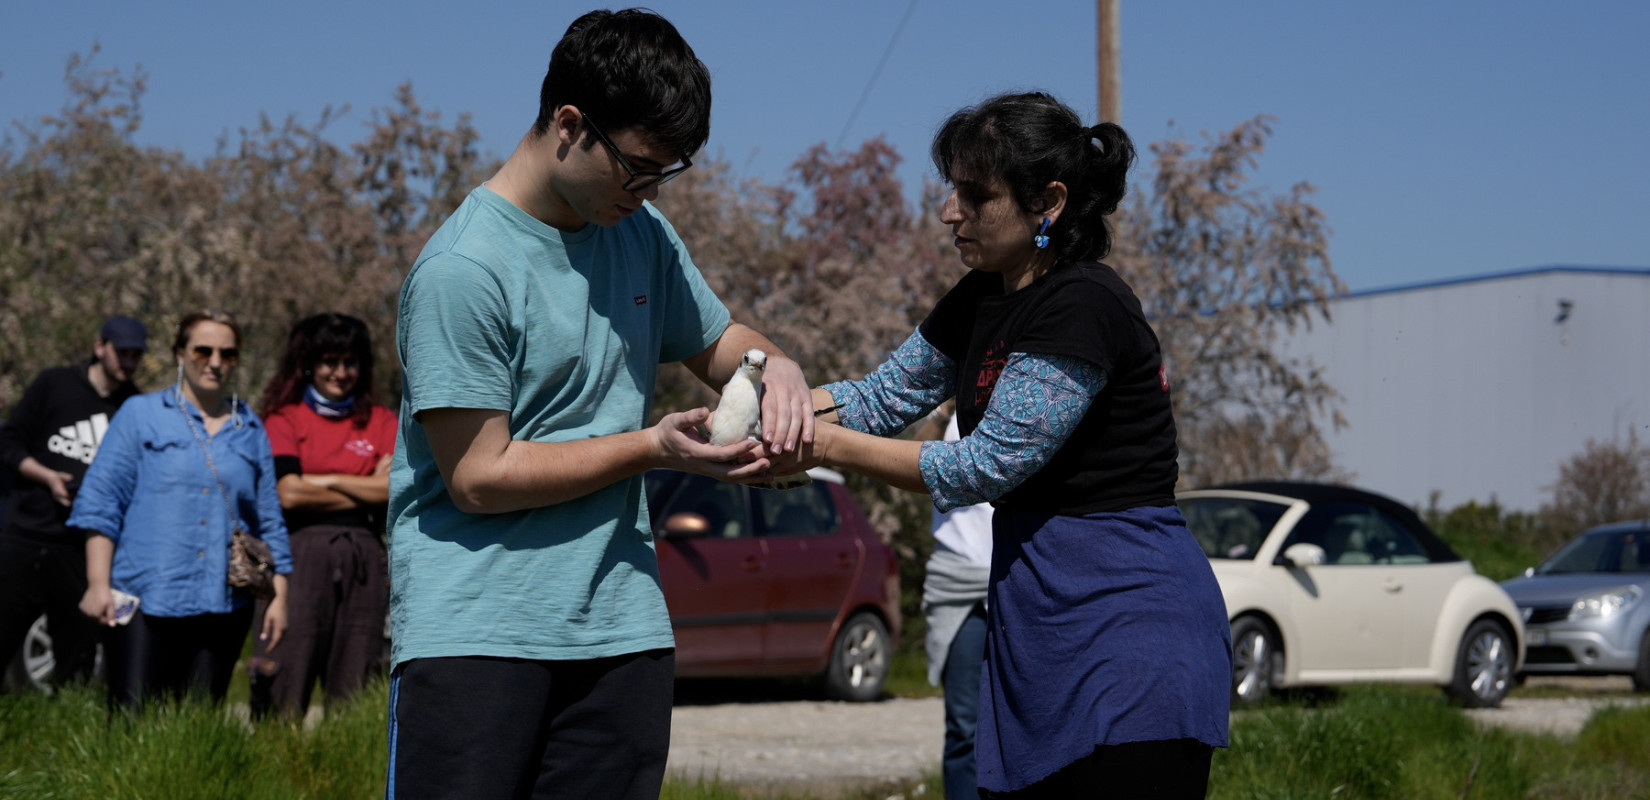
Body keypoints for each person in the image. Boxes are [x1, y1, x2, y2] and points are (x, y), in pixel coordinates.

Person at [384, 9, 814, 799]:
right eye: (637, 169)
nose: (646, 194)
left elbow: (720, 342)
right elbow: (478, 477)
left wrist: (776, 366)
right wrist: (651, 448)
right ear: (569, 124)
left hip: (623, 631)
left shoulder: (640, 233)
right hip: (479, 636)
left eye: (665, 175)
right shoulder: (462, 271)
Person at [773, 92, 1233, 797]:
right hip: (1041, 617)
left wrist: (821, 448)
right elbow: (882, 398)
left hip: (1131, 629)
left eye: (975, 195)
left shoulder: (1083, 303)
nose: (948, 212)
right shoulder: (982, 295)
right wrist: (773, 415)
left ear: (1049, 202)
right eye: (951, 189)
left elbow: (984, 466)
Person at [69, 310, 293, 712]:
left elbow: (269, 518)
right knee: (131, 720)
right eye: (203, 351)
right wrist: (97, 584)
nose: (215, 362)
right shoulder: (140, 414)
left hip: (224, 603)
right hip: (143, 596)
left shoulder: (249, 427)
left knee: (198, 725)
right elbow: (101, 502)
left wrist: (278, 597)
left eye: (228, 353)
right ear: (179, 354)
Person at [248, 313, 397, 718]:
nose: (341, 373)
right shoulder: (284, 419)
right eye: (330, 362)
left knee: (354, 685)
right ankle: (277, 751)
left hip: (364, 559)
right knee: (284, 675)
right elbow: (288, 493)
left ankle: (341, 755)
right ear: (309, 364)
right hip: (297, 556)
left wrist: (323, 480)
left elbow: (392, 490)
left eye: (351, 362)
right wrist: (363, 486)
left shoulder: (382, 421)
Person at [0, 316, 149, 688]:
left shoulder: (134, 407)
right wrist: (47, 477)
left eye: (136, 355)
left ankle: (66, 714)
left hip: (81, 545)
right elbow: (9, 442)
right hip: (27, 533)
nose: (128, 362)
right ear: (100, 347)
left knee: (77, 650)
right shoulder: (55, 384)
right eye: (122, 352)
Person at [920, 409, 994, 800]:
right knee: (965, 725)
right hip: (960, 581)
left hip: (1019, 575)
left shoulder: (1032, 398)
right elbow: (911, 460)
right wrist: (942, 410)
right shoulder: (951, 417)